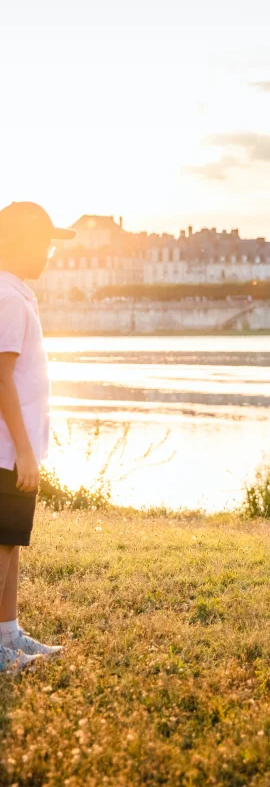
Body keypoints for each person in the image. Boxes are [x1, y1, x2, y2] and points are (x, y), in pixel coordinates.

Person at [0, 202, 76, 673]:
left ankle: (8, 632)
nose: (50, 253)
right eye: (45, 243)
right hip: (7, 450)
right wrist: (24, 452)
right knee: (1, 544)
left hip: (15, 450)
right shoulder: (7, 297)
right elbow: (2, 376)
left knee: (11, 540)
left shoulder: (17, 293)